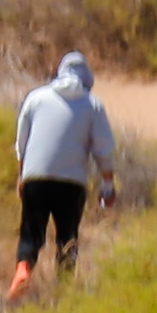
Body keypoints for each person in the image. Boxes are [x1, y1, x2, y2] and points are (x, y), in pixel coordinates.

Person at [10, 50, 122, 300]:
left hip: (35, 178)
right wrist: (107, 185)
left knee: (31, 231)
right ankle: (64, 293)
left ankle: (23, 270)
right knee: (67, 237)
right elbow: (103, 149)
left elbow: (22, 142)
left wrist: (22, 177)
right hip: (71, 183)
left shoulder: (36, 98)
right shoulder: (92, 105)